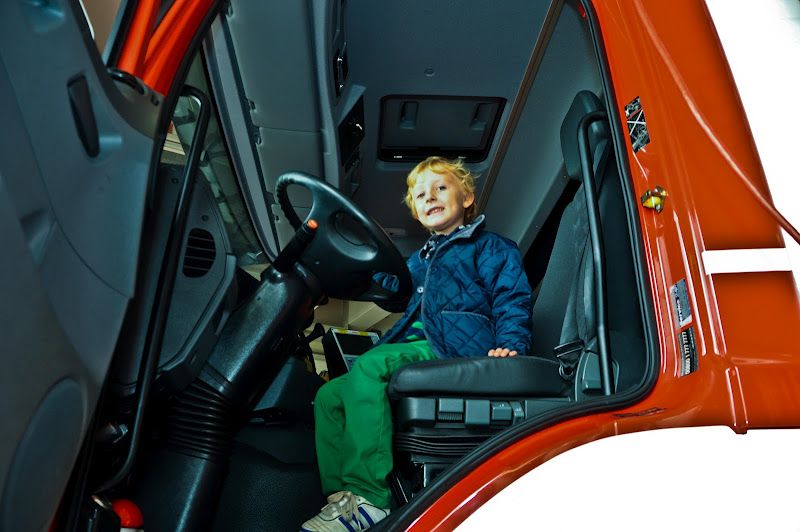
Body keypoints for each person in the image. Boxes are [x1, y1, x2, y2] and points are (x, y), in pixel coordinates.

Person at [300, 156, 532, 532]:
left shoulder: (491, 247)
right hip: (416, 348)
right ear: (416, 212)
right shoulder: (420, 259)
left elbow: (512, 299)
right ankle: (342, 499)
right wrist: (366, 256)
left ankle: (369, 498)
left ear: (466, 198)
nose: (431, 197)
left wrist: (511, 344)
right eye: (421, 195)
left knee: (371, 365)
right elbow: (392, 288)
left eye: (441, 188)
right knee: (329, 396)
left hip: (452, 350)